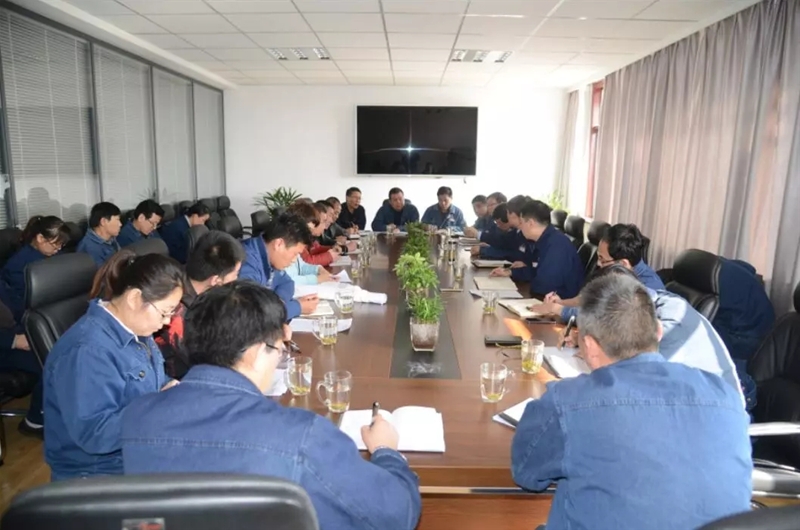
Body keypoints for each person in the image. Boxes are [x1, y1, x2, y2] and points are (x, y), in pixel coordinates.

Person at [121, 282, 422, 529]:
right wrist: (387, 450)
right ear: (254, 352)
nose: (280, 356)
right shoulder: (302, 437)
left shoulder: (137, 415)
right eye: (280, 348)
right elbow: (397, 515)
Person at [511, 273, 752, 530]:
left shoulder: (567, 402)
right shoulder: (725, 395)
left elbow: (526, 473)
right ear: (658, 331)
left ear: (589, 346)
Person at [43, 251, 184, 480]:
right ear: (135, 298)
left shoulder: (137, 330)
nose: (167, 322)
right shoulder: (88, 351)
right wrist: (158, 406)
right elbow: (94, 434)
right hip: (100, 473)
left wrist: (175, 390)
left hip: (136, 451)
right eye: (165, 312)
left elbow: (152, 381)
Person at [550, 265, 744, 402]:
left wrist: (594, 350)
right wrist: (585, 339)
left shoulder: (671, 323)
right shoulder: (647, 302)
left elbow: (632, 383)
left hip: (714, 416)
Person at [0, 216, 70, 437]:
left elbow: (18, 309)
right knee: (52, 361)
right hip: (7, 344)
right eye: (55, 244)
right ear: (40, 238)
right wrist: (13, 339)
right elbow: (21, 310)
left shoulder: (45, 261)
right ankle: (35, 421)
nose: (58, 250)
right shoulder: (20, 267)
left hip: (20, 331)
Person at [153, 231, 245, 380]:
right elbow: (202, 363)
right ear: (215, 280)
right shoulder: (174, 312)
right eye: (235, 273)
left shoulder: (185, 277)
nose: (236, 278)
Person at [544, 223, 665, 317]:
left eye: (602, 259)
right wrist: (561, 302)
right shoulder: (617, 273)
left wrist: (560, 310)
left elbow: (602, 317)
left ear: (623, 263)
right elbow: (589, 299)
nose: (598, 263)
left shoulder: (647, 290)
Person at [492, 199, 584, 299]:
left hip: (560, 303)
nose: (520, 228)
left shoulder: (556, 246)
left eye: (521, 222)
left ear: (530, 223)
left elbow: (544, 286)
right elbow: (536, 271)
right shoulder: (545, 240)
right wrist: (511, 272)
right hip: (547, 298)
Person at [239, 212, 318, 320]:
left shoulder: (269, 256)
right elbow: (254, 317)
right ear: (279, 244)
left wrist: (277, 304)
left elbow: (287, 282)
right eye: (295, 254)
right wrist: (297, 307)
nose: (294, 260)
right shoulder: (246, 263)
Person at [77, 202, 122, 266]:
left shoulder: (111, 239)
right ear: (103, 222)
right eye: (117, 219)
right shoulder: (89, 248)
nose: (120, 224)